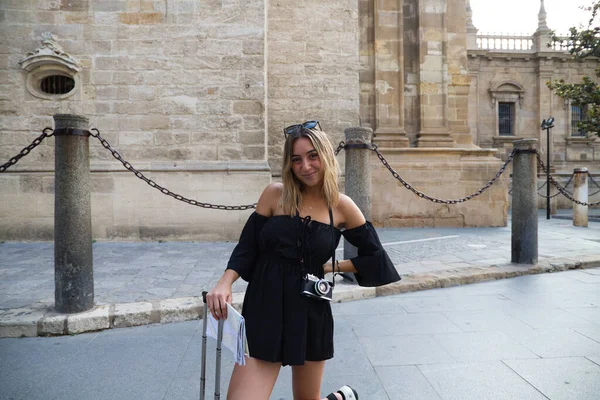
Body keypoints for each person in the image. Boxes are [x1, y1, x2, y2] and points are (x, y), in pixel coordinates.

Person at [206, 121, 401, 400]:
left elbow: (376, 258)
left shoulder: (342, 206)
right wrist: (225, 283)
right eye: (296, 159)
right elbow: (247, 246)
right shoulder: (275, 194)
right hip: (265, 305)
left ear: (326, 155)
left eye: (312, 156)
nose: (305, 166)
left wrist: (328, 267)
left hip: (310, 310)